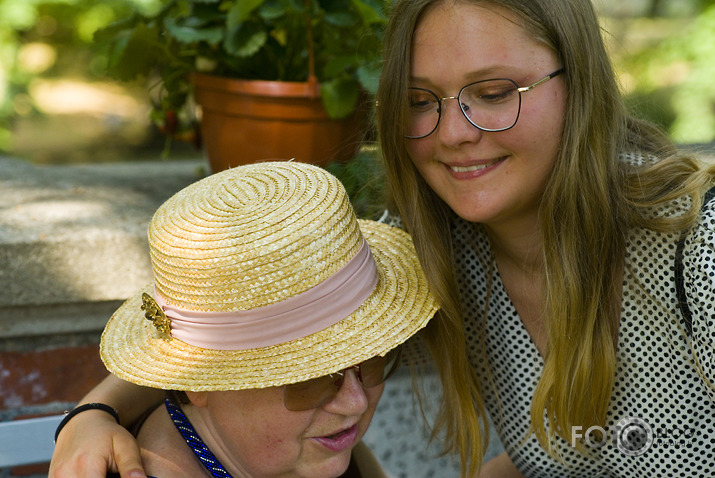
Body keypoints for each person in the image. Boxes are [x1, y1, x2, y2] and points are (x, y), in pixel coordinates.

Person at [50, 0, 715, 477]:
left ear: (579, 86)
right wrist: (90, 416)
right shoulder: (442, 247)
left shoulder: (696, 244)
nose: (452, 131)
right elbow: (229, 331)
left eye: (491, 91)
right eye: (421, 100)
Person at [52, 161, 439, 478]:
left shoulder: (325, 448)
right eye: (312, 378)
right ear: (196, 382)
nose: (354, 402)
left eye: (370, 360)